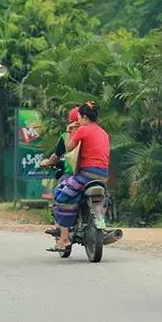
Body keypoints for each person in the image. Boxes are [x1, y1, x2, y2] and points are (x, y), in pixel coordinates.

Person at [49, 101, 110, 252]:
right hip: (103, 176)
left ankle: (63, 239)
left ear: (83, 117)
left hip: (86, 175)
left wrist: (71, 131)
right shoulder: (103, 133)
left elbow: (69, 148)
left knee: (62, 195)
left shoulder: (83, 130)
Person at [40, 106, 80, 180]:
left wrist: (48, 162)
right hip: (94, 172)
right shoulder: (93, 134)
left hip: (71, 173)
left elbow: (56, 156)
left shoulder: (66, 136)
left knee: (59, 190)